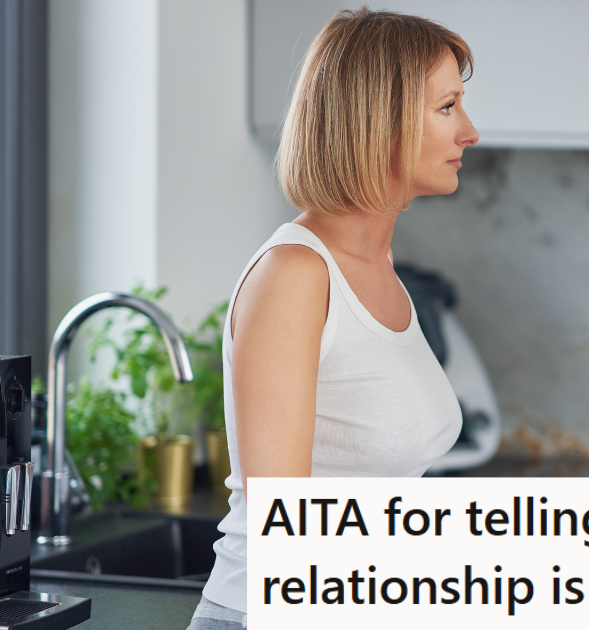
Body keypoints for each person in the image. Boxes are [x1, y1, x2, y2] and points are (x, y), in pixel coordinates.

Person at [189, 9, 478, 629]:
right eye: (448, 107)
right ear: (383, 121)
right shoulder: (295, 276)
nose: (470, 131)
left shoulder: (377, 267)